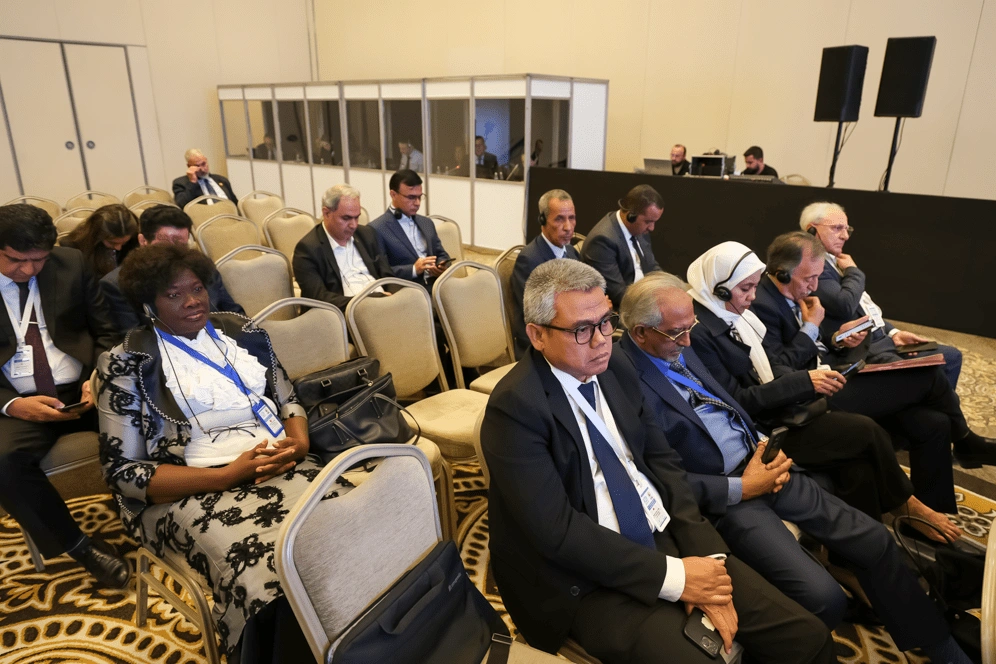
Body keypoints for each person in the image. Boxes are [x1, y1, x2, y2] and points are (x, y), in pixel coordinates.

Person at [482, 258, 835, 663]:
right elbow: (557, 532)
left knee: (808, 639)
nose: (601, 340)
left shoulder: (616, 365)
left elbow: (663, 465)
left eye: (605, 322)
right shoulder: (515, 408)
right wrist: (679, 579)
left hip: (660, 533)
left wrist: (708, 561)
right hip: (584, 580)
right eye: (581, 330)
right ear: (537, 335)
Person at [613, 274, 973, 664]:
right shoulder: (621, 378)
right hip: (727, 495)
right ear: (641, 332)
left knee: (874, 539)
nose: (687, 340)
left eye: (690, 327)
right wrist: (742, 487)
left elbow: (727, 403)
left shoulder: (677, 344)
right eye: (676, 333)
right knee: (824, 597)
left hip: (762, 461)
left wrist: (763, 445)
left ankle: (943, 651)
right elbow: (654, 476)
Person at [97, 243, 319, 661]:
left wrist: (300, 442)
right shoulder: (126, 362)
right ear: (148, 303)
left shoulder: (241, 331)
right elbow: (123, 472)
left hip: (278, 462)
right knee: (267, 573)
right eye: (174, 294)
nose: (192, 301)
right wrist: (226, 476)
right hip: (191, 488)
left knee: (346, 523)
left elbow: (288, 399)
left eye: (197, 288)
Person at [684, 243, 959, 539]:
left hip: (789, 400)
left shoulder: (738, 315)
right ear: (720, 289)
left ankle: (861, 551)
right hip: (764, 428)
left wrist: (810, 377)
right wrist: (804, 382)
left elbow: (774, 365)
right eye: (746, 288)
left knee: (886, 447)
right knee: (871, 428)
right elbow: (738, 402)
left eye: (754, 286)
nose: (752, 295)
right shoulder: (703, 332)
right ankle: (909, 505)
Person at [751, 232, 996, 470]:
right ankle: (965, 441)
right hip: (816, 393)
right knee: (928, 375)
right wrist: (811, 327)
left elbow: (821, 340)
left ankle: (948, 475)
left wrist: (838, 338)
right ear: (783, 273)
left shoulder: (798, 291)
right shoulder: (763, 305)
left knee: (934, 421)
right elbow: (780, 367)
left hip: (841, 369)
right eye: (809, 279)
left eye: (817, 277)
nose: (814, 286)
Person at [0, 204, 127, 589]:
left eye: (38, 260)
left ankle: (157, 511)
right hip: (16, 400)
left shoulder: (70, 263)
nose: (29, 270)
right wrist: (12, 405)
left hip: (84, 388)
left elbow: (107, 332)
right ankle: (81, 548)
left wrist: (97, 376)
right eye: (16, 261)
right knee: (2, 461)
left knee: (150, 414)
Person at [801, 201, 963, 388]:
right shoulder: (813, 265)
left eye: (847, 229)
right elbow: (844, 304)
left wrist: (893, 332)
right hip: (863, 351)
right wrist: (854, 271)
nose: (845, 236)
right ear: (812, 230)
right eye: (837, 228)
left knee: (951, 357)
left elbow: (863, 307)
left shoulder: (836, 260)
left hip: (882, 340)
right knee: (926, 376)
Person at [100, 205, 244, 334]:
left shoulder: (202, 268)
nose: (172, 253)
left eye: (180, 245)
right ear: (143, 241)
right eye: (164, 245)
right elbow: (134, 339)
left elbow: (234, 314)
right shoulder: (116, 284)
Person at [293, 184, 394, 311]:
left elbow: (388, 276)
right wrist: (371, 300)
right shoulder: (308, 249)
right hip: (343, 313)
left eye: (357, 217)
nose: (354, 225)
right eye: (346, 218)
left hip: (385, 305)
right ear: (326, 213)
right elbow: (319, 298)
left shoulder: (367, 234)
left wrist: (398, 296)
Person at [510, 189, 579, 358]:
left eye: (571, 218)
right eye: (559, 219)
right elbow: (537, 314)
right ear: (542, 220)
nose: (568, 227)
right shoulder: (529, 260)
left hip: (571, 332)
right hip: (540, 342)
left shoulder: (571, 252)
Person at [580, 184, 663, 309]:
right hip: (625, 309)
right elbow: (618, 294)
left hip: (644, 296)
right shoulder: (603, 241)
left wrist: (669, 287)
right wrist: (654, 306)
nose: (651, 228)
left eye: (654, 222)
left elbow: (651, 266)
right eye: (648, 222)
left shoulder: (639, 229)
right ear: (631, 216)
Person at [369, 170, 450, 289]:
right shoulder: (376, 228)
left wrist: (441, 266)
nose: (417, 203)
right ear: (393, 194)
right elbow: (380, 272)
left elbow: (442, 255)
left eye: (420, 197)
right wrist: (413, 270)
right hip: (408, 290)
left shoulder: (426, 222)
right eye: (411, 197)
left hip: (437, 285)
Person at [60, 204, 139, 280]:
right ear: (97, 235)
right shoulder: (74, 249)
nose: (119, 248)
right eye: (113, 243)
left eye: (124, 242)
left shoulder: (134, 241)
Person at [172, 148, 238, 207]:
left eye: (203, 164)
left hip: (229, 213)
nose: (203, 169)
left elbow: (235, 203)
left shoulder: (221, 179)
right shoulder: (180, 183)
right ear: (189, 166)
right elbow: (182, 204)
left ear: (206, 161)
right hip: (206, 215)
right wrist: (193, 182)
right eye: (197, 166)